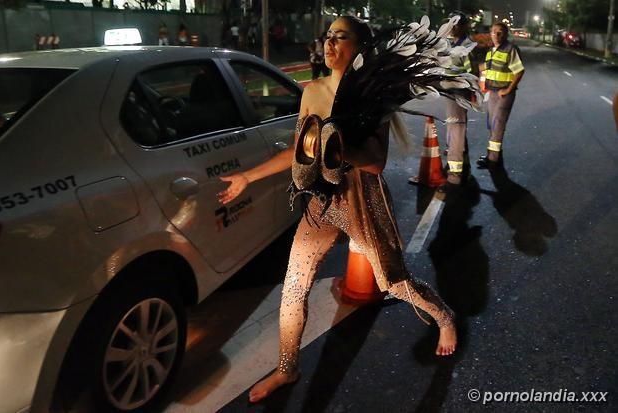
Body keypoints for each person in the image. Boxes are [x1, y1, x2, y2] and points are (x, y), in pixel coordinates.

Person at [217, 15, 471, 403]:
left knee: (393, 282)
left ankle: (443, 317)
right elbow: (299, 150)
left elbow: (375, 163)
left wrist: (338, 147)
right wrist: (247, 178)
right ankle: (287, 369)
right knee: (293, 289)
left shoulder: (375, 95)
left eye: (341, 37)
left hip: (360, 198)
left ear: (360, 47)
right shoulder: (313, 91)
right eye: (327, 37)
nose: (330, 44)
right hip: (320, 200)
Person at [476, 22, 524, 169]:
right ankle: (494, 154)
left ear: (506, 34)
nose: (496, 35)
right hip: (492, 92)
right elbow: (486, 68)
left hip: (504, 94)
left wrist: (509, 89)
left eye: (500, 32)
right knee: (491, 124)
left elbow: (519, 71)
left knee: (497, 125)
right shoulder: (491, 50)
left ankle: (493, 160)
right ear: (490, 33)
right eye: (493, 32)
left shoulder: (510, 49)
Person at [442, 12, 476, 188]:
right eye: (451, 23)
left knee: (455, 133)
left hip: (458, 94)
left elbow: (472, 74)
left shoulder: (466, 46)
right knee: (455, 131)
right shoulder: (449, 44)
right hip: (449, 94)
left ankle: (454, 174)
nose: (453, 27)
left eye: (456, 24)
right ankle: (464, 165)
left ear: (464, 26)